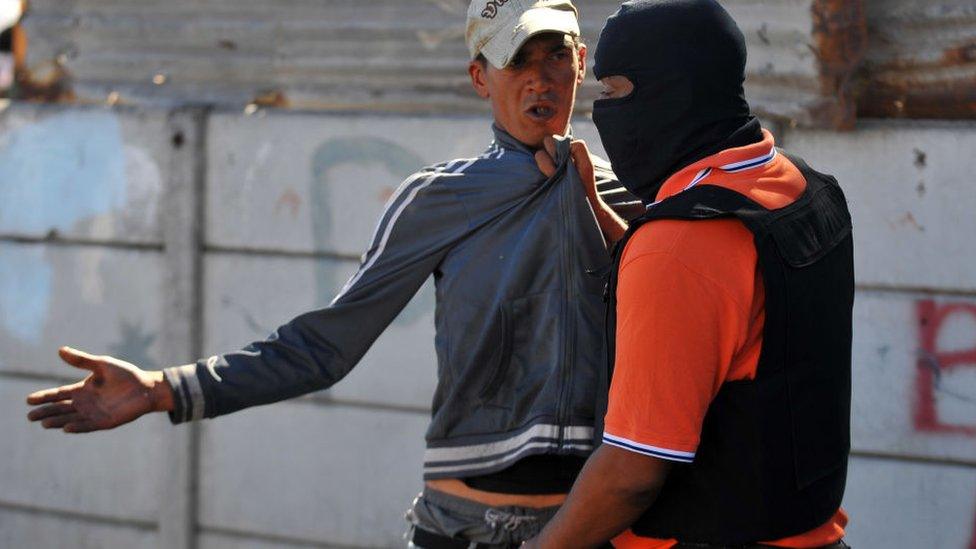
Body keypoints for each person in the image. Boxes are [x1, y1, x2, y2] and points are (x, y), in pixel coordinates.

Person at [25, 1, 641, 547]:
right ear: (481, 77)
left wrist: (596, 208)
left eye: (554, 55)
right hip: (462, 527)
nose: (539, 77)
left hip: (586, 527)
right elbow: (326, 346)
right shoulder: (437, 200)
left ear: (581, 64)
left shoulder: (633, 198)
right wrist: (165, 389)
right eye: (516, 58)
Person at [523, 1, 854, 548]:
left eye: (616, 90)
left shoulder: (680, 246)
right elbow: (724, 309)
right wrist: (609, 225)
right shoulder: (802, 187)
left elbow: (632, 474)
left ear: (674, 90)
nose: (604, 111)